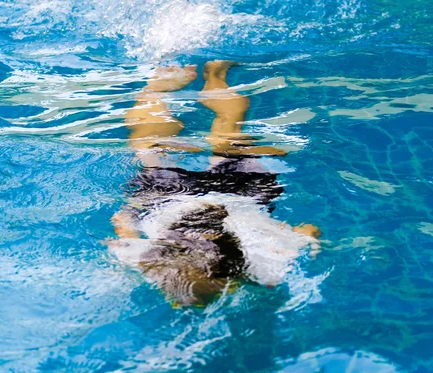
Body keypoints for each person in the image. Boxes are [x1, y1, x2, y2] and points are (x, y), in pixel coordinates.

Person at [109, 61, 320, 306]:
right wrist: (134, 212)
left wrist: (308, 244)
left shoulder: (264, 266)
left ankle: (208, 76)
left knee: (229, 133)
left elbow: (308, 230)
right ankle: (162, 88)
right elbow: (121, 221)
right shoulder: (148, 262)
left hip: (240, 195)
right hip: (176, 199)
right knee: (150, 145)